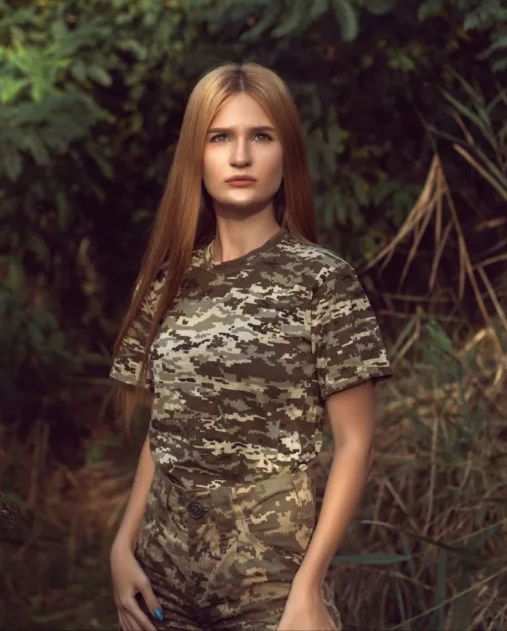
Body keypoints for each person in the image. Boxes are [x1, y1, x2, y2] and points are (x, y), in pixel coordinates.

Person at [107, 62, 392, 631]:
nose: (240, 157)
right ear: (197, 155)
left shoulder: (322, 280)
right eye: (220, 138)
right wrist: (121, 548)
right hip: (162, 580)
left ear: (286, 155)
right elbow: (165, 426)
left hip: (270, 585)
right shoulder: (165, 285)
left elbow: (355, 443)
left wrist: (308, 589)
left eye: (260, 136)